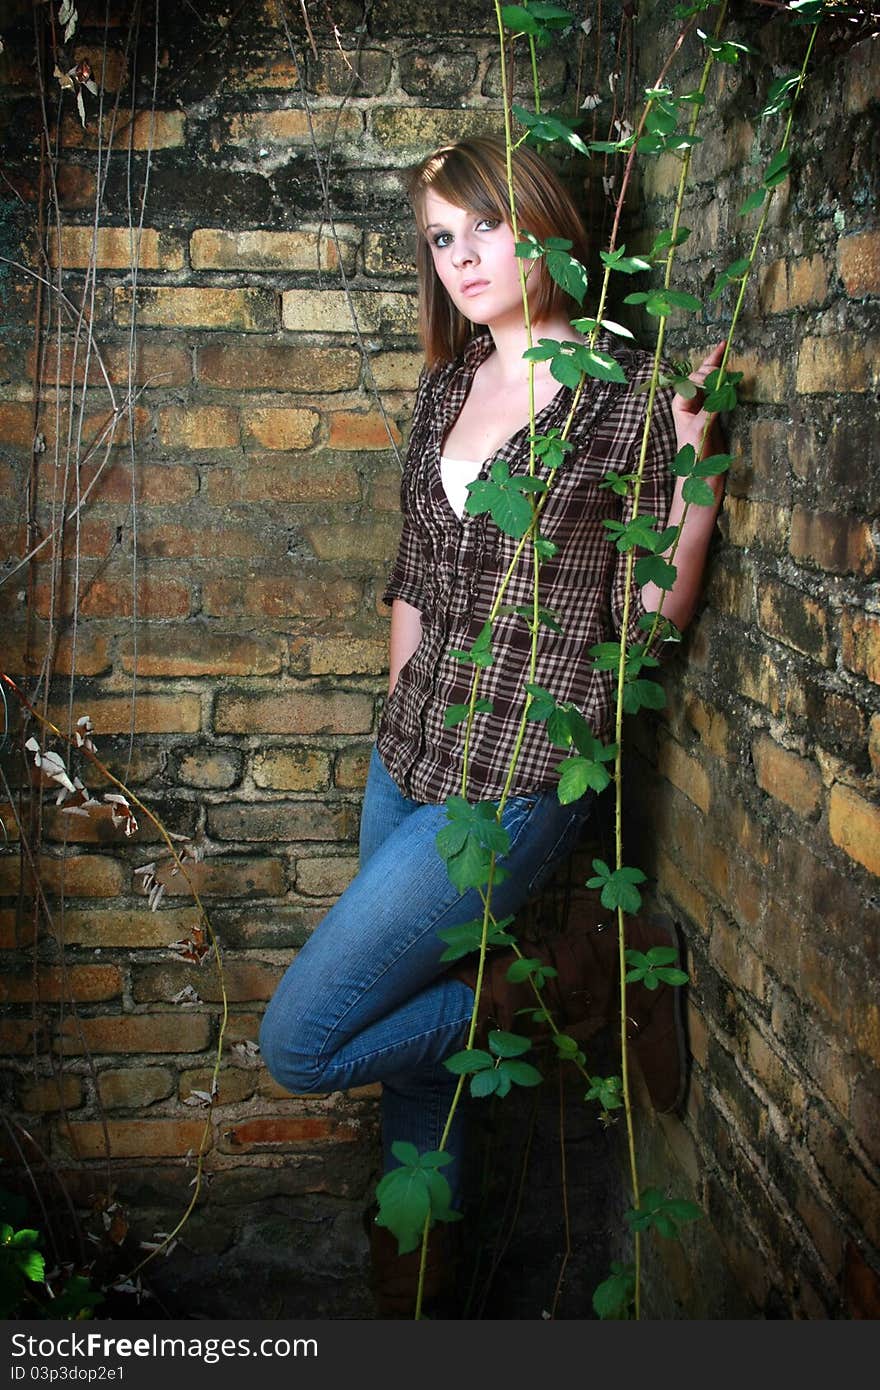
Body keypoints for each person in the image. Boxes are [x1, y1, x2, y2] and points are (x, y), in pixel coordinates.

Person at [259, 136, 726, 1316]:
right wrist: (389, 728)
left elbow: (650, 617)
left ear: (546, 224)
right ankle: (413, 1315)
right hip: (407, 763)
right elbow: (415, 578)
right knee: (423, 1090)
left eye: (483, 227)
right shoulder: (447, 381)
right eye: (440, 239)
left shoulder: (621, 391)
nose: (461, 257)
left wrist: (695, 464)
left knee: (302, 1043)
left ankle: (561, 982)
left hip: (513, 781)